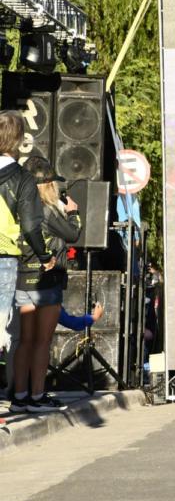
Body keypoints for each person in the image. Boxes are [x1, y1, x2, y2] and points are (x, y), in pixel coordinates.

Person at [8, 157, 79, 411]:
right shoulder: (46, 210)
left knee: (24, 341)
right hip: (46, 281)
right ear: (48, 185)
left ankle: (19, 396)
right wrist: (73, 213)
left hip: (22, 278)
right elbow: (73, 234)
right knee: (42, 342)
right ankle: (37, 396)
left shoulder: (17, 206)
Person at [0, 111, 54, 367]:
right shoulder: (22, 178)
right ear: (19, 140)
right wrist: (45, 255)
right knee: (3, 328)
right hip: (4, 259)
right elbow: (31, 227)